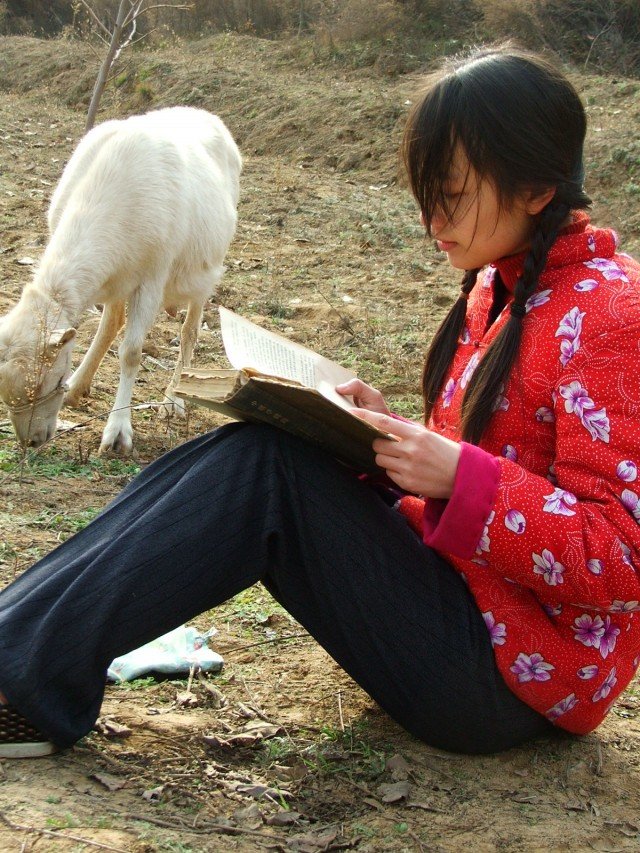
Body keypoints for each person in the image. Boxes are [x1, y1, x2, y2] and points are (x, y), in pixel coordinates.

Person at [1, 45, 639, 760]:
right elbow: (493, 466)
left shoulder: (614, 316)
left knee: (266, 476)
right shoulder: (501, 285)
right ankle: (11, 650)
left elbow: (623, 558)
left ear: (537, 189)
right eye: (426, 192)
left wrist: (462, 477)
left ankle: (21, 686)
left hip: (511, 680)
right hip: (466, 602)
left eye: (453, 192)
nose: (432, 218)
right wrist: (378, 435)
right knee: (261, 446)